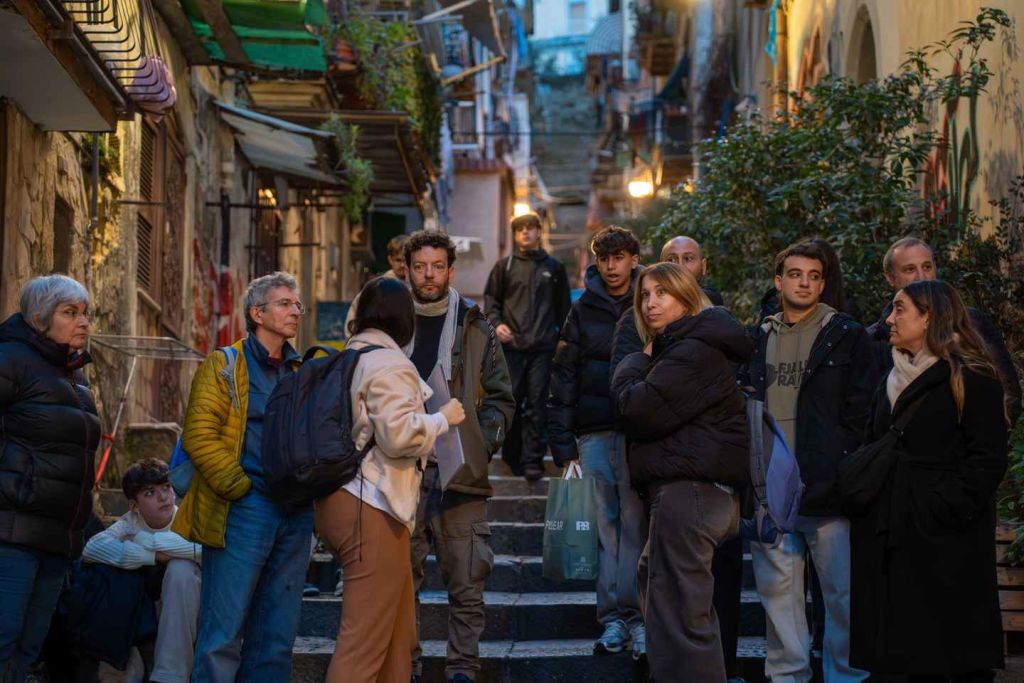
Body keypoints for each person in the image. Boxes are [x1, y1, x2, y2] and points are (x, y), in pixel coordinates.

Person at [850, 279, 1008, 681]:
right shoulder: (889, 378)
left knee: (946, 655)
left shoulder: (972, 377)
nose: (890, 318)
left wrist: (943, 506)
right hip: (889, 531)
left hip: (945, 541)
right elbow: (872, 440)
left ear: (929, 317)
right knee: (897, 655)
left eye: (900, 309)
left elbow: (987, 459)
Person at [609, 233, 746, 679]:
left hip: (691, 495)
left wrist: (636, 359)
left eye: (662, 293)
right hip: (684, 493)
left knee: (683, 620)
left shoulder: (691, 351)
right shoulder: (684, 348)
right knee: (667, 603)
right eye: (645, 294)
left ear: (687, 299)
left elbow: (634, 409)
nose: (650, 303)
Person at [316, 276, 465, 683]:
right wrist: (442, 419)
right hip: (371, 505)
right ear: (404, 319)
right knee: (363, 643)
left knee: (399, 636)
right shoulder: (390, 363)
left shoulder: (349, 356)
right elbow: (398, 436)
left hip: (343, 499)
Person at [739, 240, 873, 683]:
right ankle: (787, 676)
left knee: (841, 595)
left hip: (827, 483)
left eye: (814, 276)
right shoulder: (757, 338)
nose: (805, 283)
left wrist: (843, 465)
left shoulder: (845, 334)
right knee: (778, 596)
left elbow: (862, 408)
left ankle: (845, 677)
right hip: (772, 487)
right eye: (795, 275)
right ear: (778, 281)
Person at [175, 271, 312, 682]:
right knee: (223, 633)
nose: (295, 311)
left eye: (297, 304)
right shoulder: (224, 364)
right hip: (244, 508)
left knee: (276, 636)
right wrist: (240, 489)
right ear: (257, 313)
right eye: (284, 304)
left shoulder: (301, 370)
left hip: (295, 514)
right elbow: (199, 436)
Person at [401, 231, 515, 683]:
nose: (428, 275)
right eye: (419, 267)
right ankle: (406, 667)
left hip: (460, 472)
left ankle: (463, 670)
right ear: (407, 270)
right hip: (401, 471)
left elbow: (501, 398)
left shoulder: (475, 324)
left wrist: (479, 444)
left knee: (467, 581)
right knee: (400, 582)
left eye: (437, 266)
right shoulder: (390, 324)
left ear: (451, 271)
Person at [546, 226, 647, 659]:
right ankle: (613, 620)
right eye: (604, 258)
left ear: (633, 260)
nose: (611, 266)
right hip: (594, 430)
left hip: (641, 428)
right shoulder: (582, 308)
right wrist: (562, 442)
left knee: (638, 525)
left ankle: (639, 616)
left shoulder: (650, 299)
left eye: (619, 257)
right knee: (606, 527)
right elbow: (564, 373)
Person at [0, 275, 100, 683]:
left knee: (28, 649)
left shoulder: (76, 377)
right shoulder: (11, 360)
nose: (83, 322)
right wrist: (15, 488)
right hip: (12, 533)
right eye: (70, 313)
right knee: (4, 640)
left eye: (85, 313)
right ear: (40, 318)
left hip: (58, 538)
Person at [867, 236, 1021, 423]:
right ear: (891, 278)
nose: (921, 276)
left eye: (927, 267)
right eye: (909, 269)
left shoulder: (971, 322)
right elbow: (868, 408)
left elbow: (1008, 390)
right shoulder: (875, 338)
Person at [78, 458, 201, 682]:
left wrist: (146, 540)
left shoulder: (186, 516)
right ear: (134, 506)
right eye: (150, 493)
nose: (163, 497)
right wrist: (152, 556)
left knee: (181, 567)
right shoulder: (131, 523)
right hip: (141, 610)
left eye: (166, 487)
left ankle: (170, 674)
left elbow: (204, 551)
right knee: (109, 572)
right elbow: (91, 548)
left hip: (188, 610)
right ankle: (121, 664)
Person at [484, 211, 571, 480]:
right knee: (511, 403)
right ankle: (511, 456)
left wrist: (562, 342)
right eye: (520, 229)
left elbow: (564, 309)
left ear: (539, 232)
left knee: (537, 405)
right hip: (511, 349)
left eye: (530, 227)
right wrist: (497, 324)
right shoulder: (504, 266)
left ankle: (533, 460)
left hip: (543, 349)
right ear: (514, 234)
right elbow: (491, 301)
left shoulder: (554, 268)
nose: (525, 232)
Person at [343, 234, 410, 340]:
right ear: (390, 260)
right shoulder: (377, 287)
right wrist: (356, 343)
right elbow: (354, 314)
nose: (402, 265)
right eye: (398, 260)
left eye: (405, 261)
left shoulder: (418, 287)